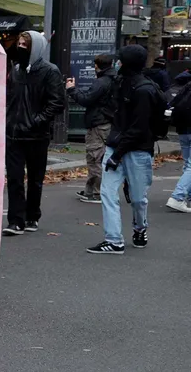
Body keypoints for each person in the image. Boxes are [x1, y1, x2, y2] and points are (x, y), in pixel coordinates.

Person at [88, 45, 159, 253]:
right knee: (108, 193)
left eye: (120, 60)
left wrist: (116, 154)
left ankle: (139, 228)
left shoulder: (145, 90)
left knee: (138, 199)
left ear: (127, 63)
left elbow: (138, 128)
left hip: (136, 150)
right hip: (117, 146)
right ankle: (114, 239)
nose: (116, 63)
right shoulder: (119, 83)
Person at [3, 30, 64, 235]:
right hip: (13, 133)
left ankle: (32, 215)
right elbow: (9, 97)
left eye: (24, 45)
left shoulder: (50, 71)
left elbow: (56, 102)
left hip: (36, 135)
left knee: (35, 179)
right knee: (14, 178)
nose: (19, 47)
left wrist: (36, 122)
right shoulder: (17, 69)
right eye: (18, 43)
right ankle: (16, 221)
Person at [66, 53, 116, 204]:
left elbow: (87, 99)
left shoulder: (101, 82)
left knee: (95, 157)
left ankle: (96, 192)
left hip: (98, 123)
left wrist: (71, 89)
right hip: (107, 122)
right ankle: (91, 190)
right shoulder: (114, 79)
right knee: (99, 157)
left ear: (97, 65)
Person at [167, 70, 191, 213]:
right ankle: (178, 196)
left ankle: (185, 194)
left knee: (188, 164)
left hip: (183, 129)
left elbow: (172, 104)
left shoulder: (186, 86)